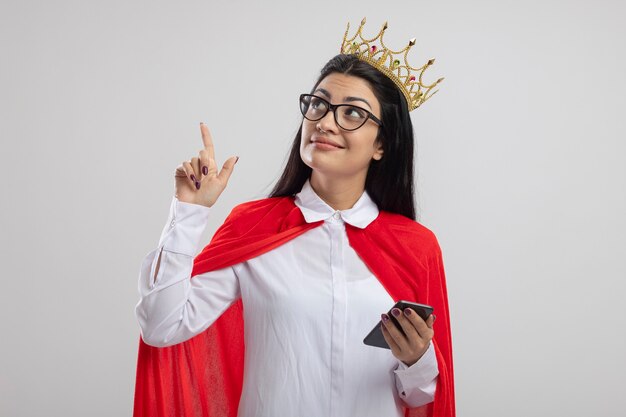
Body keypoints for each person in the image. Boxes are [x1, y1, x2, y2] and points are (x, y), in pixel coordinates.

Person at [133, 19, 454, 417]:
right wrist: (188, 212)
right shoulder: (254, 228)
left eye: (352, 113)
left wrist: (417, 360)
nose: (326, 121)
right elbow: (162, 327)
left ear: (383, 144)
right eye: (319, 104)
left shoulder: (414, 246)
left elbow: (422, 398)